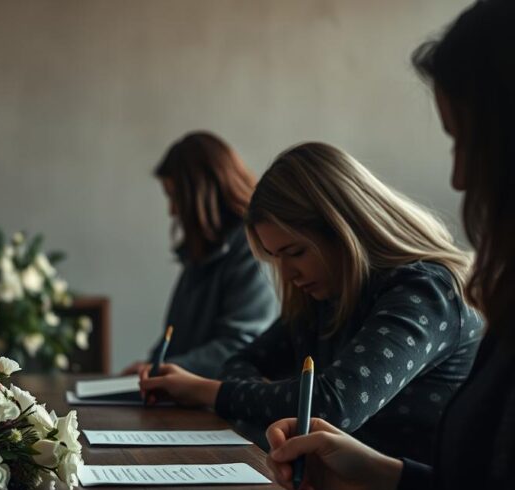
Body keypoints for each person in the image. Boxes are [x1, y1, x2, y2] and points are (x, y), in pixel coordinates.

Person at [266, 1, 515, 490]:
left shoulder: (423, 291)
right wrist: (379, 476)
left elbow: (332, 402)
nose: (457, 176)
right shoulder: (505, 301)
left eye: (467, 142)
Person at [140, 141, 481, 463]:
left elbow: (332, 406)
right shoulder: (325, 294)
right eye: (276, 258)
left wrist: (206, 391)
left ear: (346, 230)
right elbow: (241, 362)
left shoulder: (427, 292)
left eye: (296, 252)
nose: (287, 275)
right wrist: (265, 395)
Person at [121, 132, 278, 379]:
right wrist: (151, 364)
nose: (172, 211)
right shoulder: (202, 252)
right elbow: (177, 338)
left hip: (220, 408)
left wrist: (160, 370)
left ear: (203, 193)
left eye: (175, 197)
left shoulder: (252, 247)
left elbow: (239, 345)